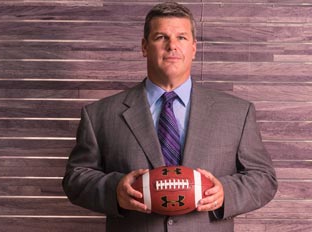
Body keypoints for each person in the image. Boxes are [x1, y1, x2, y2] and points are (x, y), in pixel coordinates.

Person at [62, 2, 278, 232]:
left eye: (182, 38)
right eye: (161, 37)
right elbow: (76, 179)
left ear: (194, 48)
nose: (172, 46)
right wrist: (114, 191)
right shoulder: (100, 114)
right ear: (145, 47)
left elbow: (264, 179)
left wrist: (225, 192)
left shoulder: (236, 112)